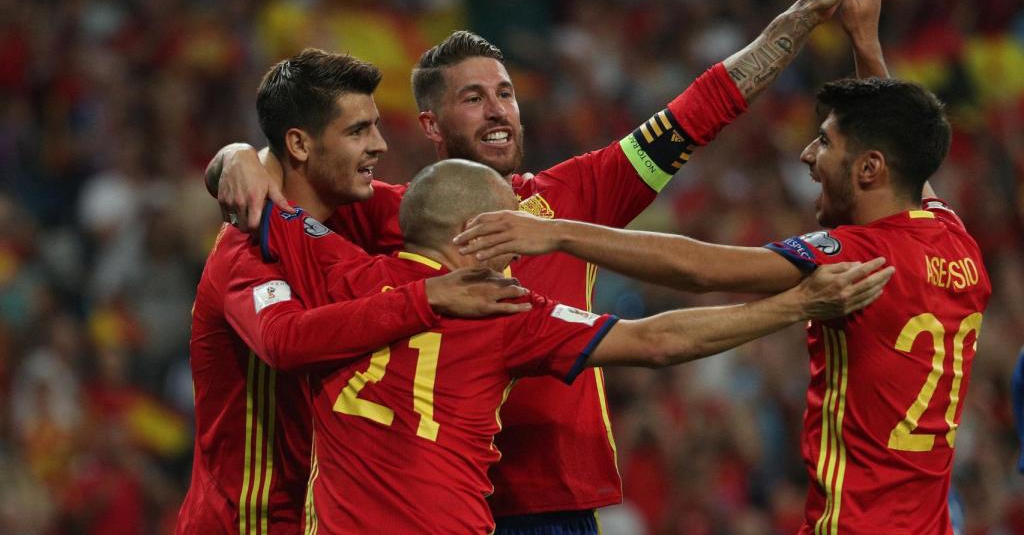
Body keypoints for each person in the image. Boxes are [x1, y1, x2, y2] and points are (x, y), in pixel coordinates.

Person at [206, 0, 877, 531]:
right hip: (427, 493)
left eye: (506, 93)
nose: (499, 109)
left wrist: (803, 15)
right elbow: (294, 181)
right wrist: (236, 155)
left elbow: (698, 113)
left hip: (552, 494)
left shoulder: (575, 193)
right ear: (432, 125)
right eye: (474, 98)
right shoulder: (404, 212)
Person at [454, 72, 991, 535]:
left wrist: (556, 232)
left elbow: (700, 269)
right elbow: (905, 148)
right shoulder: (955, 238)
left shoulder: (858, 256)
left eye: (825, 143)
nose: (807, 154)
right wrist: (867, 44)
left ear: (871, 168)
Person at [263, 158, 892, 534]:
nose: (523, 239)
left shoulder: (339, 271)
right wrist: (798, 306)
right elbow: (657, 341)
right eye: (511, 223)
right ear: (474, 232)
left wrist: (239, 155)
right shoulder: (503, 309)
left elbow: (255, 199)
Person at [178, 50, 529, 535]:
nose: (380, 145)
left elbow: (456, 208)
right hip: (248, 523)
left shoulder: (357, 217)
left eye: (376, 127)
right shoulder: (248, 242)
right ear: (299, 145)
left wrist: (235, 157)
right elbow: (284, 341)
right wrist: (427, 297)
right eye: (358, 131)